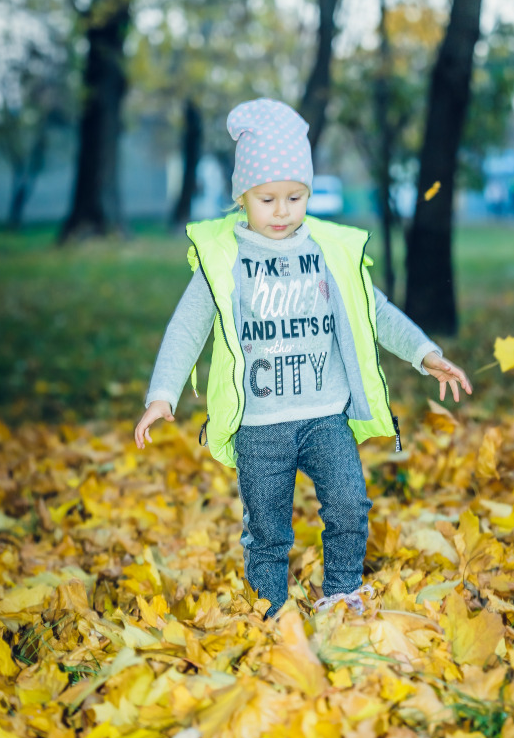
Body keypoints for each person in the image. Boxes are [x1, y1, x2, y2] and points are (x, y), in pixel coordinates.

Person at [134, 99, 472, 618]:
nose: (282, 210)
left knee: (349, 504)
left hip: (324, 416)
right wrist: (162, 395)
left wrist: (425, 354)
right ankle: (269, 611)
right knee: (267, 529)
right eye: (267, 198)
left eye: (295, 196)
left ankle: (341, 592)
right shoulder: (226, 259)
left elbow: (374, 309)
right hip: (259, 426)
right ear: (242, 196)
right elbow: (187, 327)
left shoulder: (325, 251)